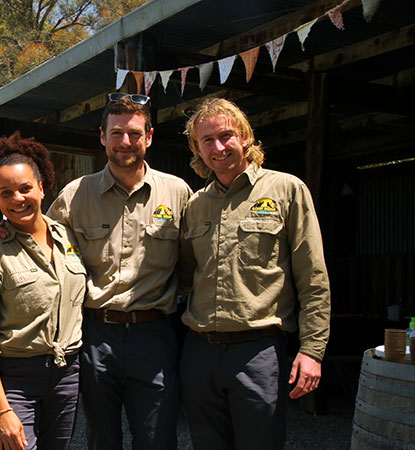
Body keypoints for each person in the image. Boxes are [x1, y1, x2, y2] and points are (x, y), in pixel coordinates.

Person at [178, 98, 331, 450]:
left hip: (259, 352)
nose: (218, 147)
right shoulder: (195, 206)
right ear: (197, 149)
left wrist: (312, 350)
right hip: (199, 354)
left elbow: (313, 277)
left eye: (226, 135)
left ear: (245, 137)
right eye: (207, 140)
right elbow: (186, 274)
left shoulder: (286, 191)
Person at [46, 94, 193, 449]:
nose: (125, 142)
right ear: (102, 137)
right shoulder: (74, 195)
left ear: (150, 136)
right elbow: (41, 249)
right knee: (101, 438)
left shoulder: (178, 193)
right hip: (97, 335)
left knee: (158, 439)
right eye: (116, 133)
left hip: (156, 335)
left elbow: (193, 262)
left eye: (133, 133)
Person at [0, 133, 86, 450]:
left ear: (42, 187)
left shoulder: (69, 236)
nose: (18, 199)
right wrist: (2, 410)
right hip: (16, 379)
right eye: (5, 193)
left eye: (25, 188)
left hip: (66, 374)